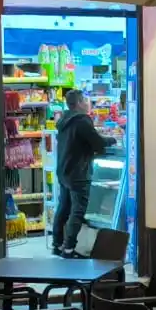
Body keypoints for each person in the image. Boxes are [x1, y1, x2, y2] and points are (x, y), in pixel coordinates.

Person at [52, 90, 115, 258]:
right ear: (79, 103)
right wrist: (112, 139)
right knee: (77, 211)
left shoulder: (64, 120)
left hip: (64, 170)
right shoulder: (82, 121)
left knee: (64, 207)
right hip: (79, 172)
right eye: (86, 100)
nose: (89, 103)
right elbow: (98, 143)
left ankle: (57, 244)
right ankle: (69, 248)